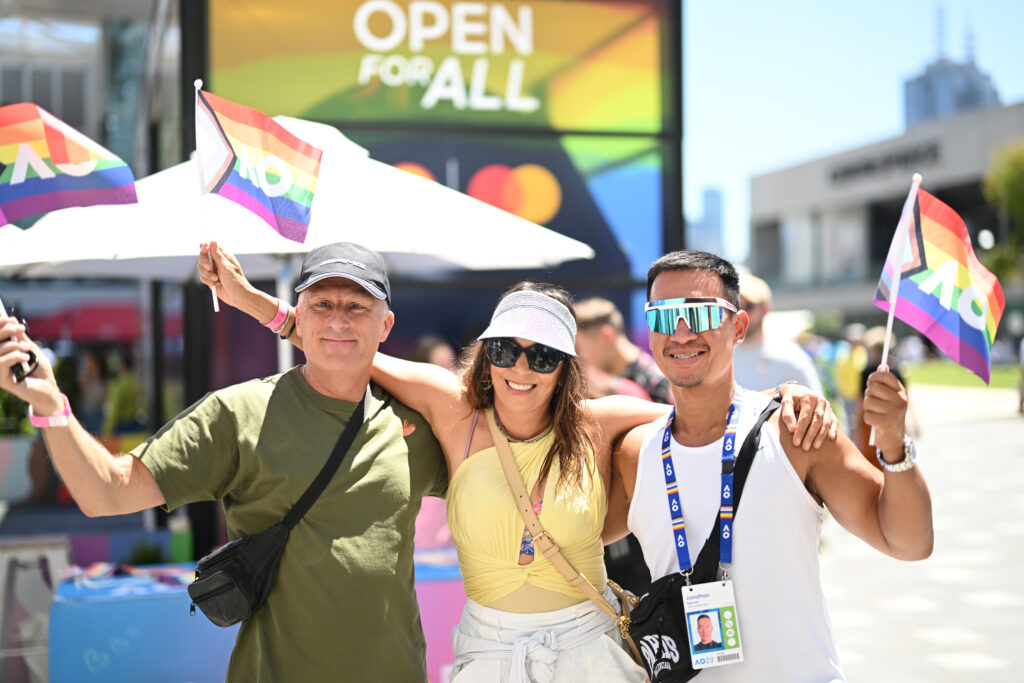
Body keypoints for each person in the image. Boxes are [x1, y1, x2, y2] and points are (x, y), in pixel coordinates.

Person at [198, 242, 838, 682]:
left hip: (589, 650)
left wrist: (785, 400)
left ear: (566, 369)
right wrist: (254, 299)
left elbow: (712, 412)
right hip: (489, 653)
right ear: (486, 355)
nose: (521, 368)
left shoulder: (602, 421)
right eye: (506, 351)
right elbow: (346, 348)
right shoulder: (456, 414)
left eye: (543, 356)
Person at [0, 242, 447, 681]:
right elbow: (107, 492)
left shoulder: (415, 424)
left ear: (385, 325)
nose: (337, 320)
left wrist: (254, 303)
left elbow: (478, 425)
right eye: (321, 304)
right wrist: (52, 406)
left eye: (356, 307)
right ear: (300, 313)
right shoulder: (238, 414)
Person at [607, 250, 933, 682]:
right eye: (663, 317)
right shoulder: (636, 453)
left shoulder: (797, 433)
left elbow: (909, 542)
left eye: (700, 314)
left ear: (738, 326)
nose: (681, 332)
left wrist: (893, 443)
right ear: (649, 331)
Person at [732, 272, 824, 395]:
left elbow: (816, 407)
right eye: (735, 306)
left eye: (748, 306)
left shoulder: (790, 357)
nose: (740, 313)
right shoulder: (719, 355)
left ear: (765, 309)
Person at [575, 297, 673, 404]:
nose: (580, 357)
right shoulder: (601, 380)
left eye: (580, 348)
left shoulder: (657, 385)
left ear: (606, 337)